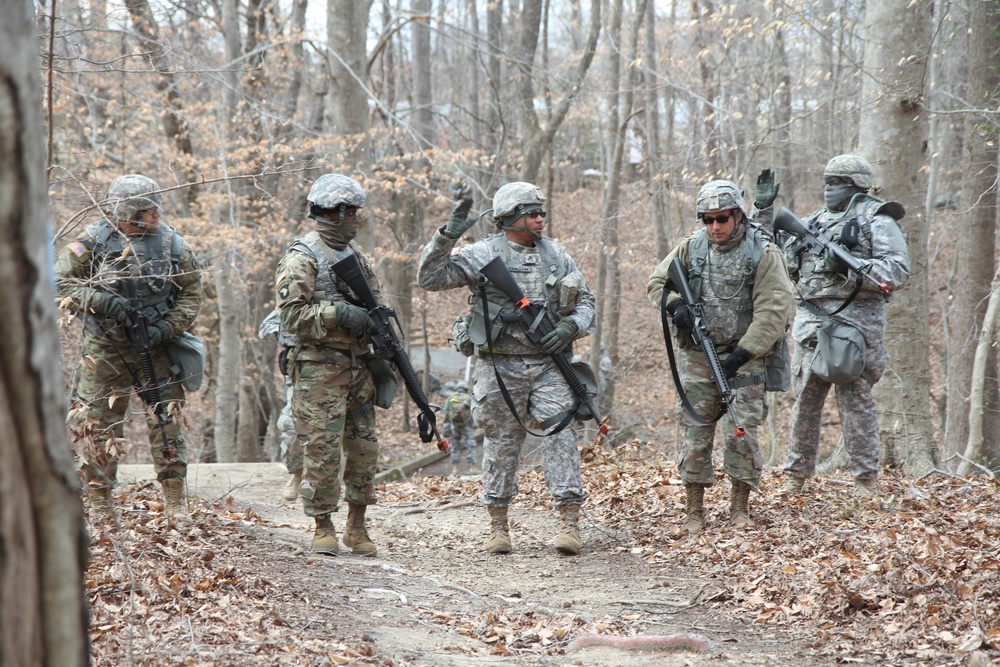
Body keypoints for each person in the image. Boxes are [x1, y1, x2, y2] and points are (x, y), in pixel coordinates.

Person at [417, 181, 596, 556]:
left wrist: (571, 326)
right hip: (499, 365)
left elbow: (586, 301)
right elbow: (430, 279)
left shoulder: (557, 255)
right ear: (510, 218)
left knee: (561, 432)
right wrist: (449, 234)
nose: (540, 219)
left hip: (550, 364)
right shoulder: (483, 254)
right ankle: (498, 526)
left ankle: (569, 522)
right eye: (532, 213)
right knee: (501, 441)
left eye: (541, 212)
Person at [646, 179, 793, 534]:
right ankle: (693, 511)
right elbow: (656, 284)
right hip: (699, 357)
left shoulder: (763, 252)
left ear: (738, 215)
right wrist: (676, 306)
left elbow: (774, 310)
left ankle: (739, 509)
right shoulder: (692, 248)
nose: (715, 226)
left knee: (741, 433)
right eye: (707, 219)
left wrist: (742, 354)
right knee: (696, 432)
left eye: (722, 218)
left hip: (746, 358)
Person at [56, 174, 203, 523]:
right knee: (101, 424)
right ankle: (100, 501)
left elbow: (192, 294)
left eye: (156, 209)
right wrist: (101, 302)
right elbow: (58, 283)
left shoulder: (172, 244)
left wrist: (165, 328)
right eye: (147, 211)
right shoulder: (91, 242)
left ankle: (174, 498)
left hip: (157, 347)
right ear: (126, 213)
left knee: (165, 420)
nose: (156, 216)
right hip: (106, 348)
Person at [778, 155, 909, 497]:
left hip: (856, 329)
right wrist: (765, 215)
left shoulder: (877, 219)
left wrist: (850, 266)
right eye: (828, 181)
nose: (830, 188)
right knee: (805, 403)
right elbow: (781, 260)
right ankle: (796, 477)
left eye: (839, 182)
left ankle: (865, 480)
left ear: (857, 185)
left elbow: (896, 271)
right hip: (811, 327)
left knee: (857, 404)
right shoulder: (815, 221)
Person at [275, 173, 388, 557]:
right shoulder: (301, 258)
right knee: (322, 449)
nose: (358, 218)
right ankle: (323, 524)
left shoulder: (356, 257)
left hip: (359, 368)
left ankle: (357, 525)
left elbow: (377, 307)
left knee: (364, 449)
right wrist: (338, 313)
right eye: (353, 212)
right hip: (318, 369)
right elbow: (291, 318)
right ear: (336, 214)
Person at [258, 309, 302, 502]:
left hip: (350, 370)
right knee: (292, 428)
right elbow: (266, 328)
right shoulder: (301, 293)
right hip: (305, 375)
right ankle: (297, 473)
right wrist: (302, 334)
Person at [442, 380, 477, 476]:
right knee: (470, 444)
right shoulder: (469, 398)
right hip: (466, 426)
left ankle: (455, 469)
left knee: (455, 446)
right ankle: (472, 467)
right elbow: (474, 412)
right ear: (465, 389)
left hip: (454, 426)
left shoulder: (451, 398)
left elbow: (445, 412)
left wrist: (446, 425)